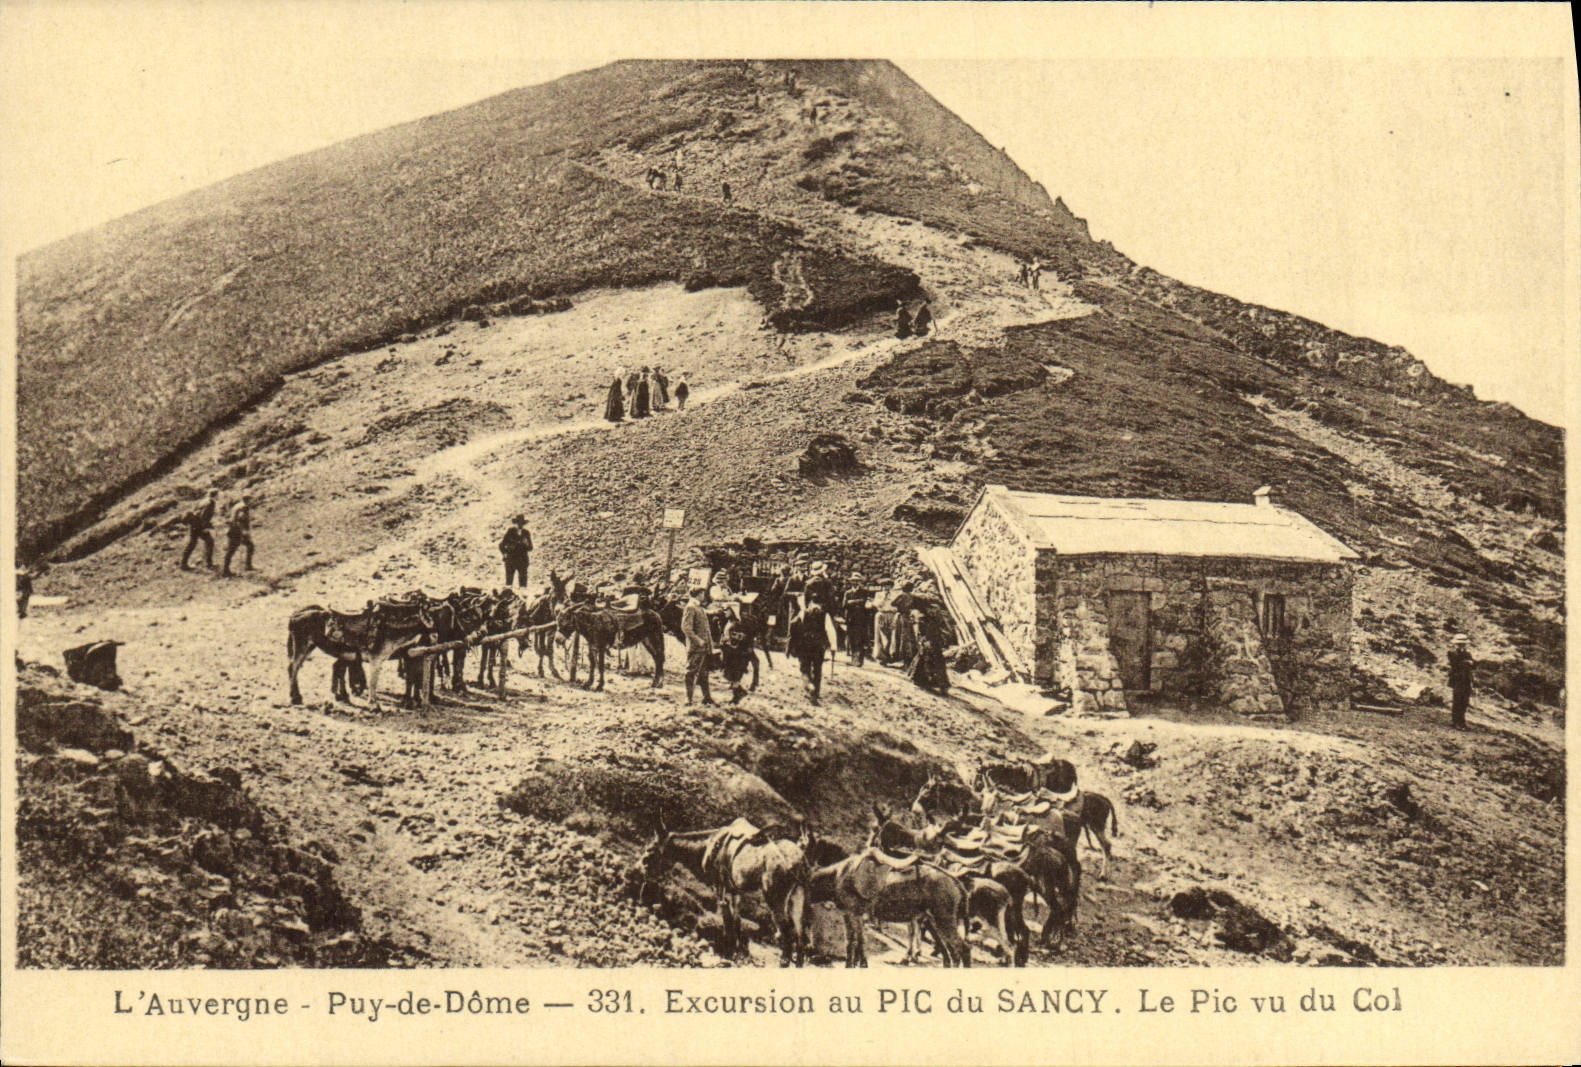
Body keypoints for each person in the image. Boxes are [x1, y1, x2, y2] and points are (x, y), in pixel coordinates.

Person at [788, 600, 830, 705]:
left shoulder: (804, 613)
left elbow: (793, 624)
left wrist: (791, 643)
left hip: (805, 645)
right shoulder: (825, 615)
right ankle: (815, 693)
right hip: (819, 646)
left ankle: (810, 686)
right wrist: (832, 646)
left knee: (805, 668)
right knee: (817, 670)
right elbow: (830, 630)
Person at [682, 586, 716, 706]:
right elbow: (686, 627)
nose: (704, 596)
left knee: (703, 673)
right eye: (702, 594)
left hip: (704, 648)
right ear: (698, 594)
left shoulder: (698, 607)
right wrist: (698, 641)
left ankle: (707, 698)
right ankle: (688, 698)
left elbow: (705, 629)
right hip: (696, 648)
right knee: (690, 672)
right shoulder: (690, 607)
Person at [908, 607, 950, 694]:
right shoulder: (927, 623)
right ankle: (928, 682)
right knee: (930, 662)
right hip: (931, 645)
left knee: (929, 662)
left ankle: (937, 684)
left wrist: (925, 641)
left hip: (931, 645)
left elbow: (931, 634)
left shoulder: (929, 623)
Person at [180, 489, 219, 570]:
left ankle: (183, 564)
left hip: (194, 524)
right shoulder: (211, 503)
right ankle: (208, 564)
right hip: (199, 526)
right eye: (218, 495)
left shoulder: (203, 501)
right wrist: (205, 527)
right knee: (209, 542)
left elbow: (195, 511)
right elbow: (204, 516)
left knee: (192, 544)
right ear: (215, 495)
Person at [841, 571, 874, 667]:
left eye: (857, 581)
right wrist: (855, 602)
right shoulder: (848, 592)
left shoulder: (864, 592)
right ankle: (853, 659)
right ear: (851, 582)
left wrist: (852, 602)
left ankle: (860, 660)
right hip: (851, 619)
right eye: (853, 581)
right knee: (852, 639)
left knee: (861, 639)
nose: (855, 583)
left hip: (862, 619)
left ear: (859, 582)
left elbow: (865, 603)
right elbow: (844, 605)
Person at [720, 619, 753, 704]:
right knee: (727, 674)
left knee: (734, 674)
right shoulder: (728, 622)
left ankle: (737, 696)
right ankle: (738, 693)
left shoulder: (737, 624)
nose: (724, 611)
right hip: (729, 652)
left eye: (727, 609)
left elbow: (740, 640)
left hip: (736, 653)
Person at [220, 495, 254, 576]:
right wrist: (244, 531)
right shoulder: (244, 507)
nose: (251, 501)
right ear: (248, 500)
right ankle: (225, 571)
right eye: (250, 500)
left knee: (250, 546)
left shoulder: (237, 505)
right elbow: (240, 519)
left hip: (234, 530)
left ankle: (248, 566)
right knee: (231, 550)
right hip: (237, 532)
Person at [1448, 634, 1474, 730]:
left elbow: (1472, 664)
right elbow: (1455, 665)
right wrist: (1466, 663)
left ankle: (1462, 722)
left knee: (1464, 701)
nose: (1461, 646)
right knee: (1457, 700)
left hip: (1466, 679)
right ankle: (1456, 722)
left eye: (1462, 644)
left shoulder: (1467, 654)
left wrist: (1468, 663)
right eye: (1459, 644)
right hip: (1457, 679)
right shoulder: (1452, 653)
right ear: (1455, 644)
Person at [500, 515, 533, 588]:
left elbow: (530, 548)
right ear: (516, 523)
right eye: (519, 523)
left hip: (522, 561)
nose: (520, 525)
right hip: (511, 560)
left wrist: (526, 544)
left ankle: (523, 596)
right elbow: (501, 545)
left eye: (522, 523)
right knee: (509, 583)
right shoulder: (510, 531)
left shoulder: (526, 533)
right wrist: (505, 554)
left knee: (523, 584)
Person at [890, 580, 919, 664]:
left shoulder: (901, 595)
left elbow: (893, 603)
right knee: (909, 636)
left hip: (902, 617)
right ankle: (908, 656)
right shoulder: (912, 596)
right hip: (909, 617)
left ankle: (900, 655)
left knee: (900, 635)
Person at [871, 578, 898, 664]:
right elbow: (876, 604)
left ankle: (889, 655)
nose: (886, 588)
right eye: (884, 586)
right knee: (880, 636)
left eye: (888, 586)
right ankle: (881, 657)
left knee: (891, 636)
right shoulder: (878, 594)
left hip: (892, 615)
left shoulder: (895, 595)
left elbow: (896, 606)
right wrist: (884, 597)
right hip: (881, 615)